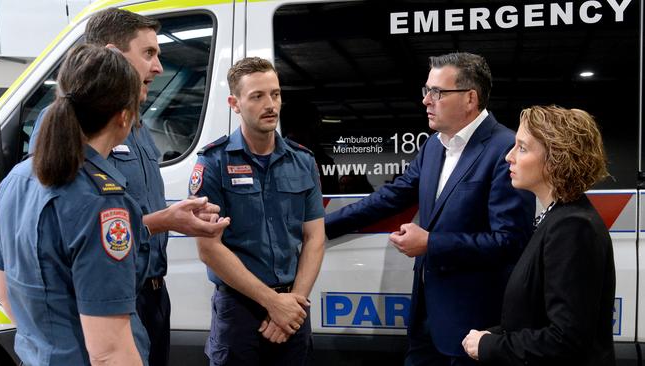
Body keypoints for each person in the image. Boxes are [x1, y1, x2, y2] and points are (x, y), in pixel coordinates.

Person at [25, 8, 225, 366]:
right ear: (113, 54)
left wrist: (169, 218)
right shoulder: (61, 126)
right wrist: (161, 222)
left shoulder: (137, 124)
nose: (159, 67)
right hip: (108, 300)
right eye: (149, 53)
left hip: (152, 293)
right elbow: (74, 224)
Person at [324, 52, 535, 365]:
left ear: (470, 98)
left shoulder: (504, 149)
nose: (426, 100)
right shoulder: (435, 145)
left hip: (474, 323)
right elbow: (392, 195)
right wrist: (321, 226)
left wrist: (430, 243)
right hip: (426, 316)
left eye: (437, 92)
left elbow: (509, 240)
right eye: (427, 91)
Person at [0, 44, 148, 365]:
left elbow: (2, 289)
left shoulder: (17, 180)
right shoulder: (103, 204)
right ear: (124, 117)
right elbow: (109, 351)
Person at [189, 57, 325, 365]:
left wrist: (292, 306)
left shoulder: (302, 161)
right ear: (234, 103)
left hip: (293, 305)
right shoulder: (213, 162)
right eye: (257, 96)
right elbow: (208, 249)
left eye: (275, 94)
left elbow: (315, 237)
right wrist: (272, 302)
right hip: (239, 310)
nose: (271, 105)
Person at [462, 105, 616, 365]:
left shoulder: (572, 227)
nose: (508, 157)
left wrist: (491, 345)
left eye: (522, 148)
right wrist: (495, 334)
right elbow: (538, 317)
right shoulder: (557, 217)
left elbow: (567, 340)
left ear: (556, 159)